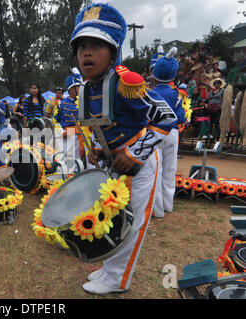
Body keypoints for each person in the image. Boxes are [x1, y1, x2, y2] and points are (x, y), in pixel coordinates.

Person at [69, 4, 177, 295]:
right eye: (81, 47)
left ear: (114, 53)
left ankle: (118, 280)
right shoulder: (87, 88)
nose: (86, 53)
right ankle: (109, 270)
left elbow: (166, 117)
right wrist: (97, 151)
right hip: (112, 164)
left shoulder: (125, 83)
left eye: (96, 46)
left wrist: (135, 153)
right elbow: (101, 127)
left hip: (138, 164)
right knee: (114, 219)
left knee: (132, 223)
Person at [150, 48, 187, 219]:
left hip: (154, 133)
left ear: (154, 73)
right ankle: (167, 205)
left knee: (155, 171)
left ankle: (156, 210)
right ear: (173, 76)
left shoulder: (148, 92)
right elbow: (181, 117)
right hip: (172, 134)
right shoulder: (176, 94)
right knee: (170, 169)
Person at [54, 68, 83, 161]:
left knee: (82, 163)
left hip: (82, 136)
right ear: (71, 89)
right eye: (78, 87)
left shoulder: (83, 102)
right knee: (70, 163)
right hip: (68, 136)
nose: (80, 89)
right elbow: (55, 122)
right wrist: (62, 133)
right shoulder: (60, 103)